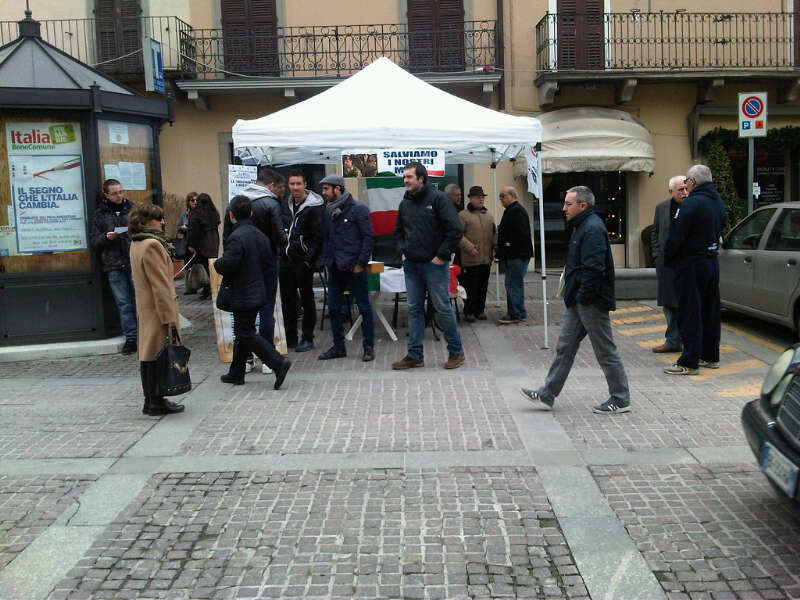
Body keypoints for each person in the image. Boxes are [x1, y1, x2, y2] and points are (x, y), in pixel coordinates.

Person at [520, 186, 631, 414]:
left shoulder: (591, 229)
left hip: (590, 301)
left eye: (568, 204)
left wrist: (582, 297)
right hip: (579, 300)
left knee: (605, 350)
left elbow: (594, 269)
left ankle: (620, 398)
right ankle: (548, 393)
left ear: (583, 206)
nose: (563, 208)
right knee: (565, 347)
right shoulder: (582, 226)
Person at [392, 162, 465, 370]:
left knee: (442, 308)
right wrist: (403, 252)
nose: (405, 180)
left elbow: (455, 230)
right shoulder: (405, 203)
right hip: (412, 265)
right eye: (404, 177)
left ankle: (456, 352)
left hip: (434, 266)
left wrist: (442, 256)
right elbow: (398, 232)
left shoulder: (439, 199)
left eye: (409, 177)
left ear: (421, 178)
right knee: (414, 309)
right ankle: (415, 355)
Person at [214, 195, 292, 389]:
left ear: (231, 215)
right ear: (250, 213)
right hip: (258, 290)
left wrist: (217, 263)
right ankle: (236, 373)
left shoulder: (236, 237)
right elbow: (268, 263)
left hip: (243, 293)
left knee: (245, 332)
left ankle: (277, 362)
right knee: (242, 332)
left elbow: (228, 264)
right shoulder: (260, 235)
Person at [663, 164, 726, 375]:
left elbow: (676, 236)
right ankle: (710, 356)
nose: (686, 185)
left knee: (690, 312)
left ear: (693, 182)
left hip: (690, 264)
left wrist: (669, 259)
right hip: (711, 261)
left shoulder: (691, 204)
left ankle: (688, 362)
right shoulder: (717, 202)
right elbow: (721, 225)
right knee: (710, 311)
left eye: (687, 181)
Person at [128, 203, 185, 416]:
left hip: (146, 308)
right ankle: (156, 401)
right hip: (157, 309)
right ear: (145, 221)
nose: (162, 222)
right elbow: (160, 285)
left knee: (148, 354)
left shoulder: (137, 242)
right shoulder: (152, 244)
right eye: (157, 218)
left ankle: (151, 400)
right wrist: (169, 317)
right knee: (156, 355)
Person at [230, 168, 288, 374]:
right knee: (266, 309)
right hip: (267, 261)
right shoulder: (271, 203)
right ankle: (268, 359)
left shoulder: (237, 200)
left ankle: (245, 360)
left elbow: (228, 234)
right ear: (270, 186)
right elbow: (281, 236)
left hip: (243, 263)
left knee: (244, 313)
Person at [318, 174, 375, 362]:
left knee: (364, 308)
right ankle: (338, 346)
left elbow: (367, 238)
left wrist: (361, 263)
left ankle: (368, 347)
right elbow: (325, 238)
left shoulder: (358, 209)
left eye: (327, 189)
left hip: (354, 267)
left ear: (338, 189)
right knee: (334, 309)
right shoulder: (326, 211)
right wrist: (326, 262)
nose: (323, 192)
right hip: (334, 267)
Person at [279, 170, 325, 352]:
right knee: (287, 300)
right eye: (292, 184)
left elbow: (319, 236)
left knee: (307, 299)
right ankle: (291, 337)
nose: (295, 188)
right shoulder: (285, 204)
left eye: (298, 184)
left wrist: (309, 259)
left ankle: (307, 337)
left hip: (303, 261)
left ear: (305, 184)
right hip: (286, 259)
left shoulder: (314, 207)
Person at [90, 178, 137, 354]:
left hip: (133, 262)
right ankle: (131, 337)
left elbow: (144, 231)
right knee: (124, 302)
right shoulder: (100, 214)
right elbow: (94, 240)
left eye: (121, 191)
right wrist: (106, 238)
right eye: (115, 193)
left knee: (139, 301)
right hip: (114, 264)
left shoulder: (132, 210)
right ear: (106, 195)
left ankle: (144, 335)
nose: (119, 196)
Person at [650, 175, 688, 353]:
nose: (685, 192)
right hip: (666, 264)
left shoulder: (691, 207)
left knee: (684, 303)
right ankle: (673, 340)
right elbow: (655, 232)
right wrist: (657, 255)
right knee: (668, 303)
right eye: (680, 190)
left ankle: (681, 339)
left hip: (686, 264)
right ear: (671, 191)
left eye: (686, 188)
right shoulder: (662, 208)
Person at [496, 187, 534, 325]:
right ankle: (518, 311)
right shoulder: (513, 210)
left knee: (513, 284)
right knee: (514, 284)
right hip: (516, 254)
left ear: (511, 196)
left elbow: (520, 234)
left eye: (502, 196)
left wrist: (507, 245)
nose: (500, 199)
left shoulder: (516, 211)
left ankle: (515, 313)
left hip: (516, 255)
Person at [458, 185, 495, 322]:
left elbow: (494, 233)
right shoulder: (463, 215)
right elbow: (457, 235)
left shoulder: (489, 215)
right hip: (470, 258)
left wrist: (494, 249)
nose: (481, 199)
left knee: (483, 286)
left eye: (482, 197)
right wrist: (469, 247)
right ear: (470, 198)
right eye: (478, 197)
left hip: (486, 258)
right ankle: (469, 311)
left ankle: (480, 310)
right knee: (470, 286)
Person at [187, 193, 220, 300]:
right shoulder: (214, 212)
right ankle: (210, 290)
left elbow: (193, 232)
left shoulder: (196, 214)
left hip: (202, 243)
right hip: (214, 241)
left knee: (204, 267)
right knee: (211, 267)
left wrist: (192, 245)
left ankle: (208, 290)